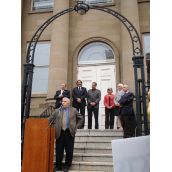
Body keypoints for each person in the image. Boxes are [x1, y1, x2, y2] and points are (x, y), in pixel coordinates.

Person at [48, 97, 84, 172]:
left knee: (69, 150)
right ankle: (58, 166)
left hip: (69, 132)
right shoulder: (57, 111)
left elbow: (81, 118)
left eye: (64, 101)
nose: (62, 103)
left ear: (68, 102)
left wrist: (76, 127)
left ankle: (67, 166)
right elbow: (49, 119)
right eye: (62, 101)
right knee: (59, 150)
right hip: (59, 132)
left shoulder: (73, 110)